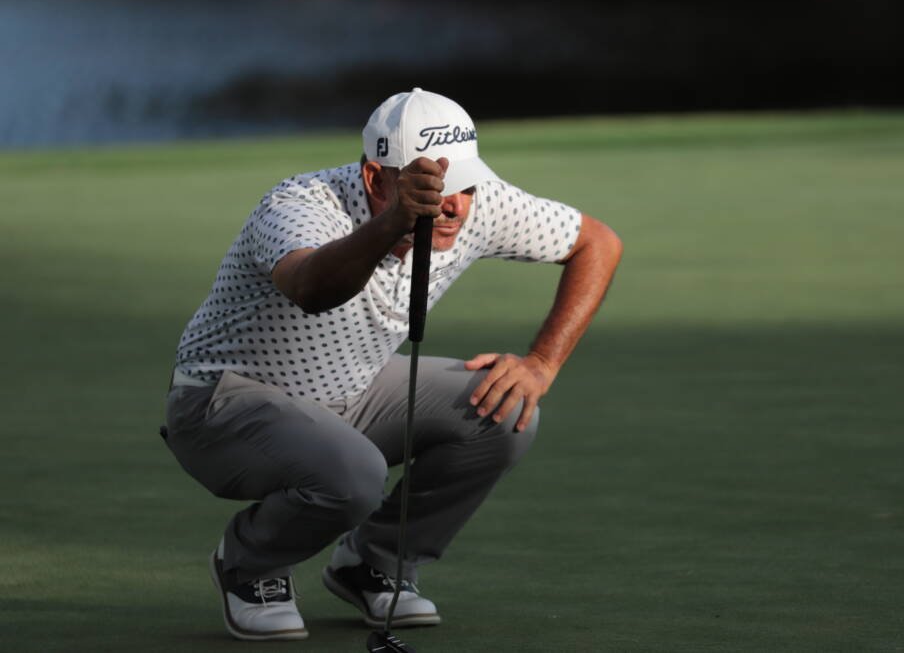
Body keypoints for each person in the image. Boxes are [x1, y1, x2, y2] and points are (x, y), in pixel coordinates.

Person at [162, 88, 623, 641]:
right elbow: (312, 289)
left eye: (464, 186)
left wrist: (542, 363)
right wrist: (394, 224)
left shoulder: (476, 203)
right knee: (354, 474)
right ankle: (248, 564)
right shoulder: (300, 205)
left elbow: (598, 244)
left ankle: (373, 563)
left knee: (503, 410)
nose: (453, 205)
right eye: (430, 189)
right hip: (222, 403)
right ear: (375, 180)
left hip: (351, 391)